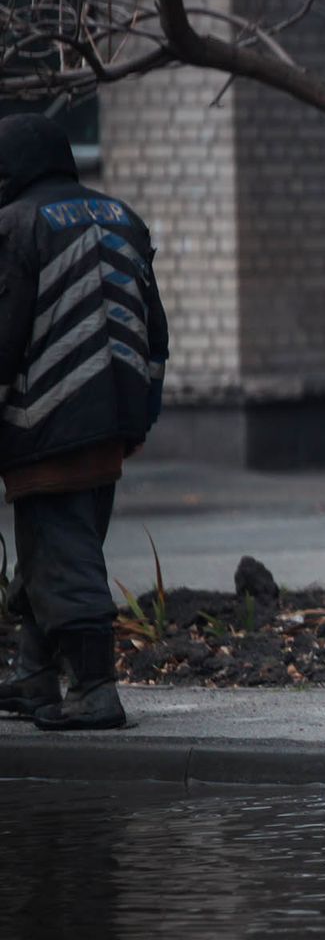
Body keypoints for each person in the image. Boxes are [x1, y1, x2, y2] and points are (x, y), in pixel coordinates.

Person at [0, 114, 168, 731]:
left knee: (60, 551)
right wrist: (140, 415)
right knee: (56, 546)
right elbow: (156, 332)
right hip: (114, 416)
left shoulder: (16, 226)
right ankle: (34, 677)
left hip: (47, 420)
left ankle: (96, 691)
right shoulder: (122, 217)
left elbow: (4, 341)